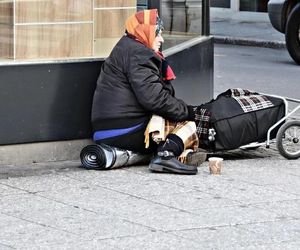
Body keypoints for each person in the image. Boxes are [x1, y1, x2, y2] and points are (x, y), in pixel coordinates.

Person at [91, 9, 203, 174]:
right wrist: (187, 111)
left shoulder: (128, 47)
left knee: (172, 119)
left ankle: (171, 152)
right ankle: (166, 156)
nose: (161, 39)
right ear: (147, 32)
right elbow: (154, 99)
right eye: (157, 34)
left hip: (109, 128)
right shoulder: (139, 53)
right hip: (123, 130)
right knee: (188, 125)